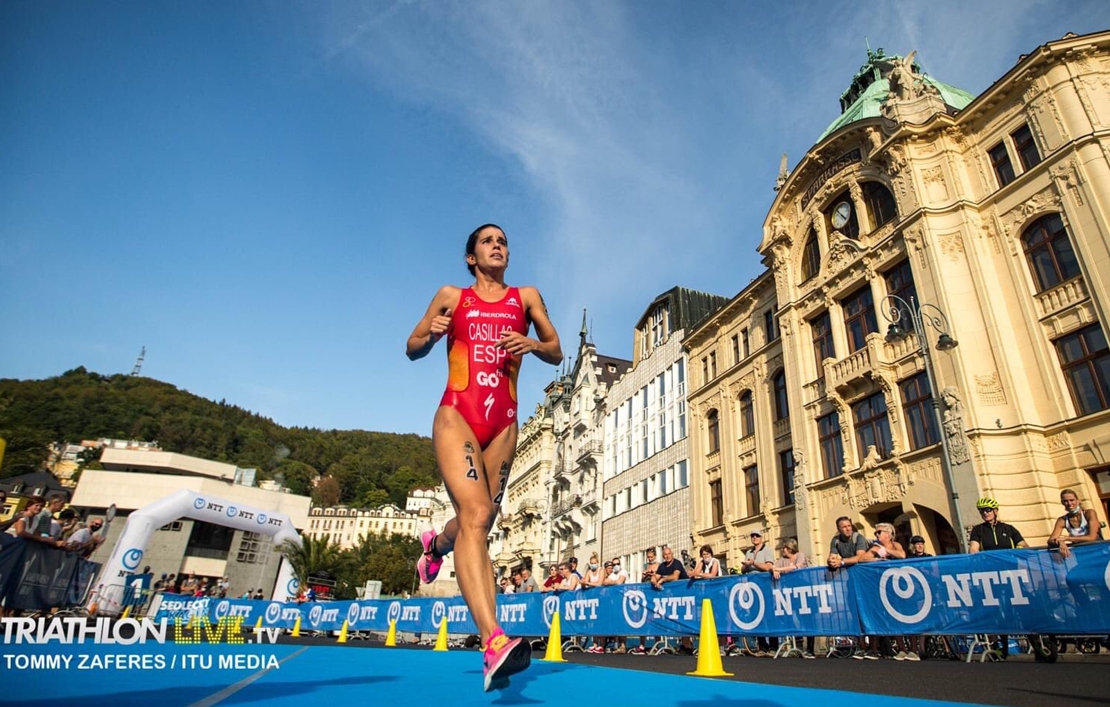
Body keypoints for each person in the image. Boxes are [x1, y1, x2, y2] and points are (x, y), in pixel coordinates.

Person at [407, 223, 561, 692]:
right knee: (475, 513)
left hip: (504, 425)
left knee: (481, 519)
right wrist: (431, 334)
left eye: (503, 241)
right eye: (488, 241)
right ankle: (492, 642)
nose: (498, 245)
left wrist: (533, 344)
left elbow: (556, 351)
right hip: (458, 414)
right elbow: (411, 347)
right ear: (472, 257)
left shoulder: (526, 297)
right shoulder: (452, 296)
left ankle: (434, 546)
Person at [826, 517, 877, 659]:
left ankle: (873, 648)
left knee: (869, 612)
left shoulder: (858, 538)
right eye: (844, 527)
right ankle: (861, 647)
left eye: (849, 526)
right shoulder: (835, 541)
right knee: (854, 612)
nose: (848, 528)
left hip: (865, 579)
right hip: (851, 580)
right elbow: (831, 557)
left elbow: (860, 558)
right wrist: (831, 561)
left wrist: (841, 562)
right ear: (839, 529)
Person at [772, 538, 816, 658]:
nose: (782, 550)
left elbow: (797, 567)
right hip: (790, 591)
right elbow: (773, 566)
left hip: (804, 590)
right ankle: (797, 643)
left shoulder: (800, 555)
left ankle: (810, 649)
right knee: (789, 615)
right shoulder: (782, 559)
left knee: (807, 619)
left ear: (789, 548)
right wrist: (774, 570)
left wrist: (779, 570)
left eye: (783, 548)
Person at [1047, 489, 1103, 559]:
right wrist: (1060, 542)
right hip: (1082, 556)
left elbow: (1092, 537)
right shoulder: (1062, 520)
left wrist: (1067, 538)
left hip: (1100, 553)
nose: (1069, 503)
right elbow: (1050, 540)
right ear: (1062, 503)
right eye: (1065, 501)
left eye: (1072, 500)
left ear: (1078, 501)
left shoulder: (1089, 513)